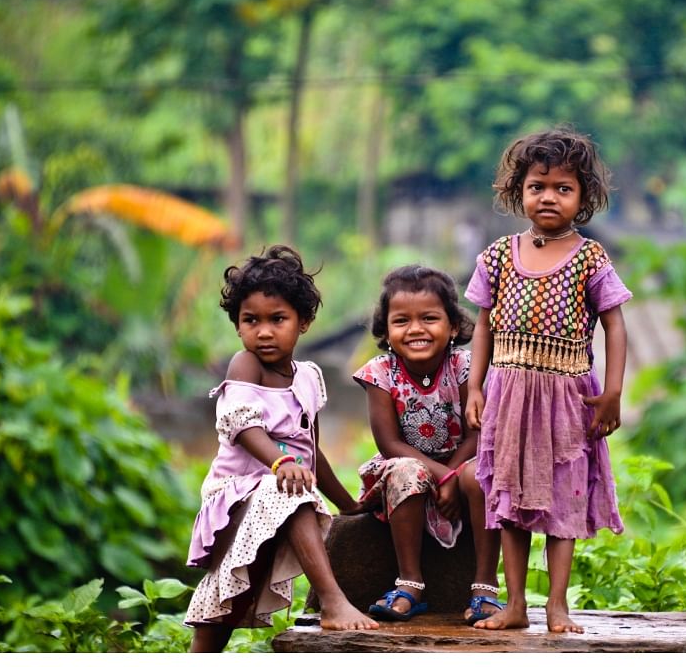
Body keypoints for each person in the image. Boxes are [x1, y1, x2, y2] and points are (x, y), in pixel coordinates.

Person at [464, 127, 631, 634]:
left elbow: (615, 325)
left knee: (565, 498)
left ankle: (556, 606)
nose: (549, 196)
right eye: (538, 185)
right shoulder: (496, 256)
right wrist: (474, 386)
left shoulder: (589, 258)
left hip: (569, 397)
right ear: (520, 192)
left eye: (563, 188)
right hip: (508, 395)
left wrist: (613, 393)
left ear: (583, 198)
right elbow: (483, 327)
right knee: (510, 501)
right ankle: (515, 605)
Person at [184, 245, 377, 651]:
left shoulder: (309, 377)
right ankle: (332, 600)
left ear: (303, 323)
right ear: (238, 326)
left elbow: (312, 452)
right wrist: (281, 461)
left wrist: (348, 505)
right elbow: (241, 425)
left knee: (232, 602)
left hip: (285, 497)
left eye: (278, 319)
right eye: (250, 320)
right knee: (225, 596)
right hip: (235, 498)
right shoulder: (246, 365)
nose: (264, 331)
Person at [353, 265, 504, 625]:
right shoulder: (379, 373)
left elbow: (477, 433)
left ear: (453, 326)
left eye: (430, 318)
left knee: (482, 472)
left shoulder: (466, 367)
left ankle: (485, 586)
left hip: (464, 460)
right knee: (408, 471)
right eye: (401, 320)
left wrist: (454, 474)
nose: (416, 329)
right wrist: (442, 476)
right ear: (387, 331)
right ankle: (410, 584)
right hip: (405, 465)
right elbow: (389, 443)